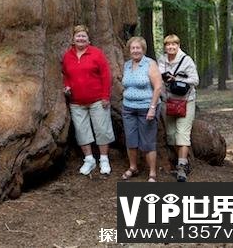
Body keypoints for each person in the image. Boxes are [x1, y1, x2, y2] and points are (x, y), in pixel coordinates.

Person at [62, 25, 114, 176]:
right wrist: (66, 86)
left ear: (88, 39)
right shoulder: (68, 56)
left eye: (83, 36)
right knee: (81, 130)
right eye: (78, 36)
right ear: (73, 39)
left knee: (102, 129)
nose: (80, 38)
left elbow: (106, 75)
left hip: (98, 100)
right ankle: (89, 159)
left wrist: (105, 96)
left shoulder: (96, 54)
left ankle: (104, 159)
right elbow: (66, 75)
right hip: (76, 102)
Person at [158, 34, 199, 182]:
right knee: (170, 135)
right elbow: (159, 76)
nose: (170, 47)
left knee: (182, 133)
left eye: (173, 44)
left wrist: (178, 79)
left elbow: (195, 80)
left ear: (178, 45)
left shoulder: (186, 60)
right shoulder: (162, 60)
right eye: (168, 45)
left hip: (186, 101)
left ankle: (181, 166)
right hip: (168, 101)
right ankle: (184, 159)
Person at [121, 36, 162, 182]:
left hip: (146, 108)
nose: (135, 50)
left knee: (147, 141)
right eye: (133, 48)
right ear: (129, 50)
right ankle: (133, 167)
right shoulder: (127, 65)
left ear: (143, 49)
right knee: (131, 140)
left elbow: (158, 87)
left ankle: (152, 173)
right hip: (128, 108)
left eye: (138, 48)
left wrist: (152, 108)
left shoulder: (149, 64)